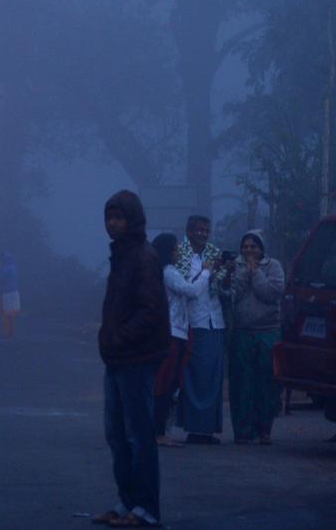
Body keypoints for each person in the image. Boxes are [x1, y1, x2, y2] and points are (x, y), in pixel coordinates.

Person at [94, 191, 169, 527]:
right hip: (118, 359)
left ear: (133, 219)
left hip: (137, 359)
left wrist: (116, 340)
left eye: (119, 217)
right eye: (110, 217)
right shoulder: (121, 256)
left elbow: (150, 313)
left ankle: (146, 509)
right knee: (117, 434)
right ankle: (127, 503)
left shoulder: (144, 257)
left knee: (139, 436)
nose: (113, 223)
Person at [151, 232, 209, 447]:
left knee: (169, 382)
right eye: (175, 249)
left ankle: (159, 429)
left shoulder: (165, 272)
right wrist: (205, 274)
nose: (179, 252)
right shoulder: (169, 272)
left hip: (177, 331)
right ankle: (158, 431)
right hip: (173, 332)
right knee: (165, 383)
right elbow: (191, 291)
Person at [227, 230, 285, 445]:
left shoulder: (274, 266)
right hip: (242, 332)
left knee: (266, 384)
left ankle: (264, 430)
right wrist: (244, 272)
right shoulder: (235, 266)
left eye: (254, 247)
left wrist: (256, 273)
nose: (249, 250)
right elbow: (234, 294)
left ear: (262, 248)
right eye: (246, 247)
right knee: (242, 384)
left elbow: (271, 293)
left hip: (268, 331)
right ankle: (242, 431)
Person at [175, 214, 229, 445]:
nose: (203, 234)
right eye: (198, 230)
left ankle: (207, 429)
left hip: (214, 321)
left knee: (213, 376)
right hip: (193, 321)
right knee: (196, 376)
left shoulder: (215, 253)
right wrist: (206, 272)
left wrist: (224, 271)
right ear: (189, 232)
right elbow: (187, 287)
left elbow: (220, 286)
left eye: (206, 230)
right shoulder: (180, 254)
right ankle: (194, 427)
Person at [0, 251, 20, 338]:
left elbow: (1, 279)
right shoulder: (14, 267)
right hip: (14, 292)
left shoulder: (6, 269)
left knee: (6, 313)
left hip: (7, 292)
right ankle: (10, 331)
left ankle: (8, 332)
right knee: (11, 312)